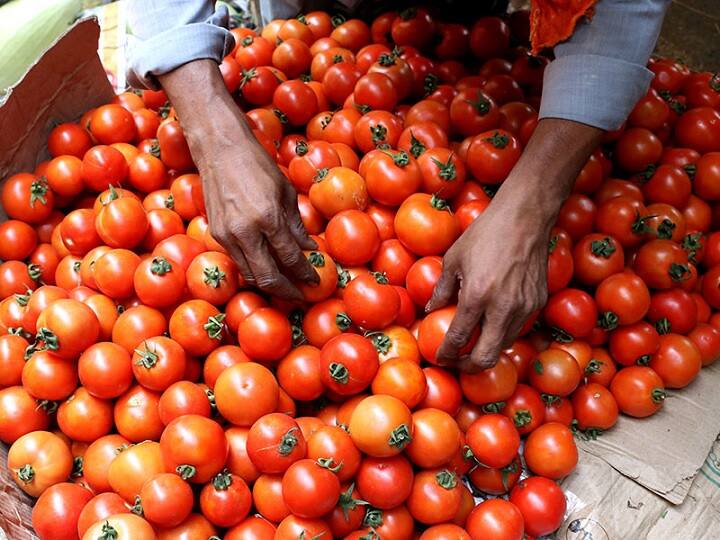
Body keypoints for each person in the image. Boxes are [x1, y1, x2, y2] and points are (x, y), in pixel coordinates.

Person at [127, 0, 671, 373]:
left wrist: (532, 206)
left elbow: (621, 10)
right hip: (349, 61)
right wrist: (213, 133)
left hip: (472, 68)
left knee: (459, 22)